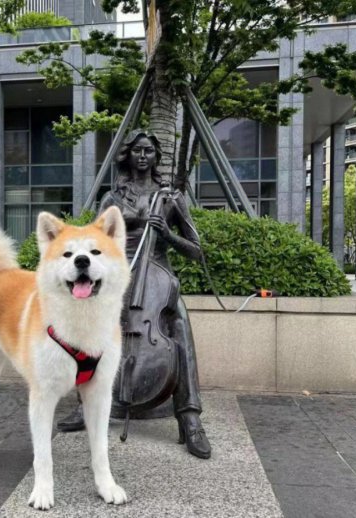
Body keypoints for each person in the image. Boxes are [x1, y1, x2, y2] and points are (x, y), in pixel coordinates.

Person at [57, 129, 211, 460]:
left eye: (149, 151)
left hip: (157, 278)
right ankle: (85, 405)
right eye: (137, 150)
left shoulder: (171, 198)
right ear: (128, 155)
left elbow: (197, 251)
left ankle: (190, 418)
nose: (143, 156)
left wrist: (167, 235)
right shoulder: (113, 198)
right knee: (88, 337)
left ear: (157, 157)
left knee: (181, 329)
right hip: (115, 277)